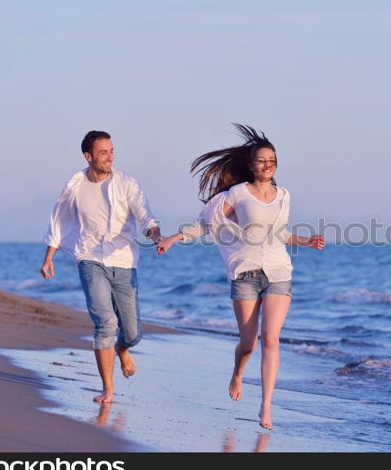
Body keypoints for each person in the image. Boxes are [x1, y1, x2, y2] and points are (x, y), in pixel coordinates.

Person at [157, 124, 324, 429]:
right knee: (249, 344)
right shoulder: (238, 194)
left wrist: (305, 241)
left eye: (271, 159)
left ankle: (266, 407)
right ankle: (237, 371)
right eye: (261, 160)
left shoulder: (284, 195)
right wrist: (173, 237)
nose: (267, 164)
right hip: (245, 273)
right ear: (251, 164)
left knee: (271, 339)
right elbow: (207, 223)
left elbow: (280, 233)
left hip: (278, 273)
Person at [40, 130, 161, 404]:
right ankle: (108, 389)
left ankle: (122, 349)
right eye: (103, 152)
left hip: (124, 261)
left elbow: (144, 214)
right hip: (89, 258)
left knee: (132, 333)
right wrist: (48, 257)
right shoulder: (75, 186)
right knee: (105, 322)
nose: (110, 157)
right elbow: (57, 221)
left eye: (112, 151)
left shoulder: (127, 183)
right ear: (88, 156)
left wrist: (155, 235)